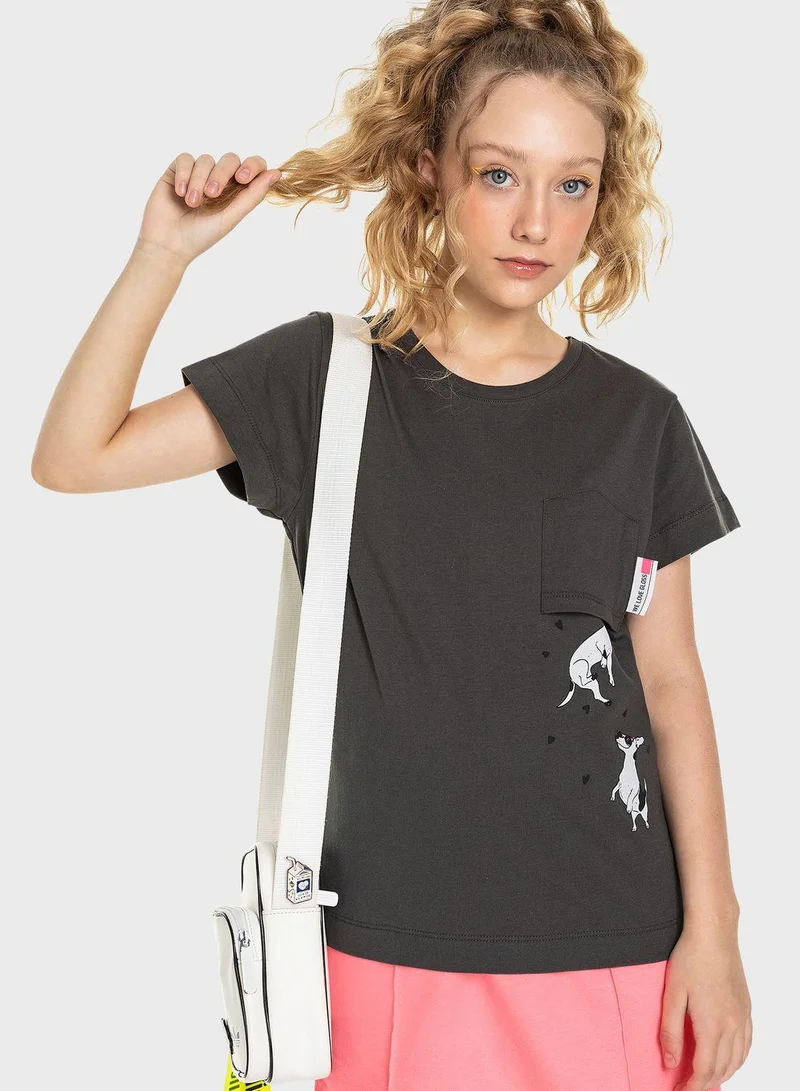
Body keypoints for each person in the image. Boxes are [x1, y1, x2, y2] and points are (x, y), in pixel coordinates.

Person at [31, 1, 752, 1088]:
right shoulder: (324, 379)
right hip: (379, 949)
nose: (535, 221)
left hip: (613, 946)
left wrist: (715, 931)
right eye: (498, 174)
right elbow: (74, 456)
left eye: (573, 185)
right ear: (429, 170)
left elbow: (671, 682)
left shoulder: (636, 420)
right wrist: (161, 255)